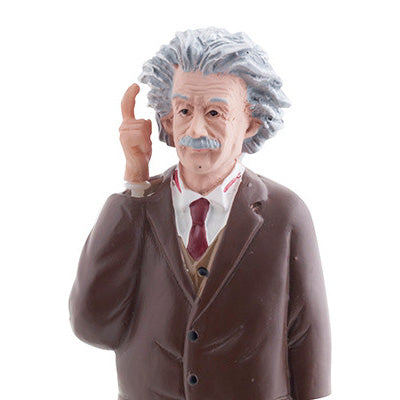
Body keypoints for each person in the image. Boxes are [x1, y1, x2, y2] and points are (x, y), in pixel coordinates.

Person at [69, 28, 331, 400]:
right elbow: (92, 324)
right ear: (167, 120)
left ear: (250, 123)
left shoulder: (285, 213)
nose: (195, 129)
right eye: (184, 111)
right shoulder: (140, 207)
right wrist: (135, 180)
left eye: (214, 112)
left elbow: (307, 334)